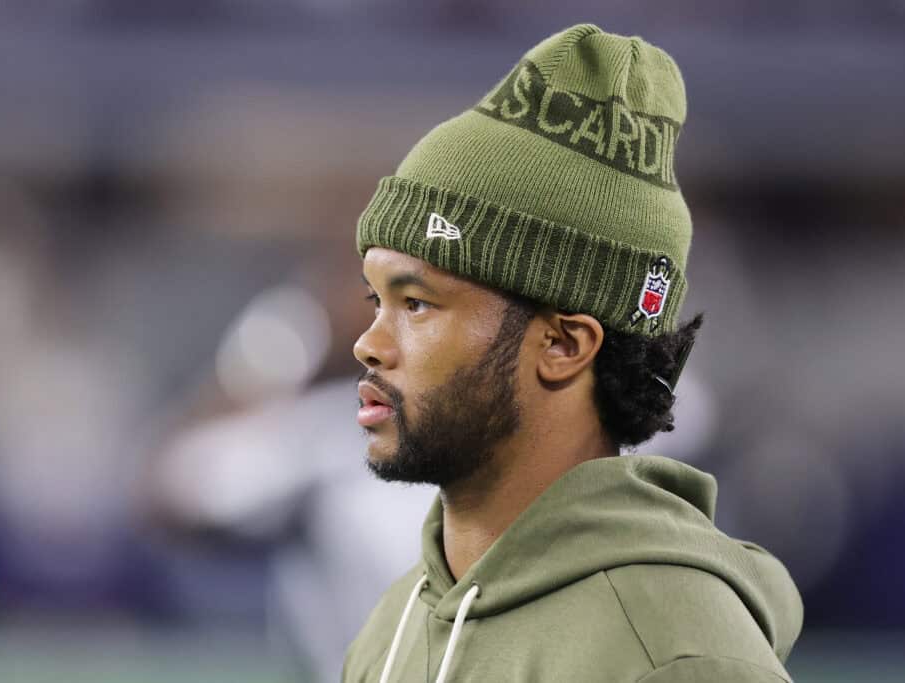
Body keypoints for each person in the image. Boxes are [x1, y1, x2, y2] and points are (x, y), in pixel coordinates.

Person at [343, 23, 803, 683]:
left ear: (563, 344)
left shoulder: (680, 655)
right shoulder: (395, 623)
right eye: (376, 299)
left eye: (416, 303)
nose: (369, 344)